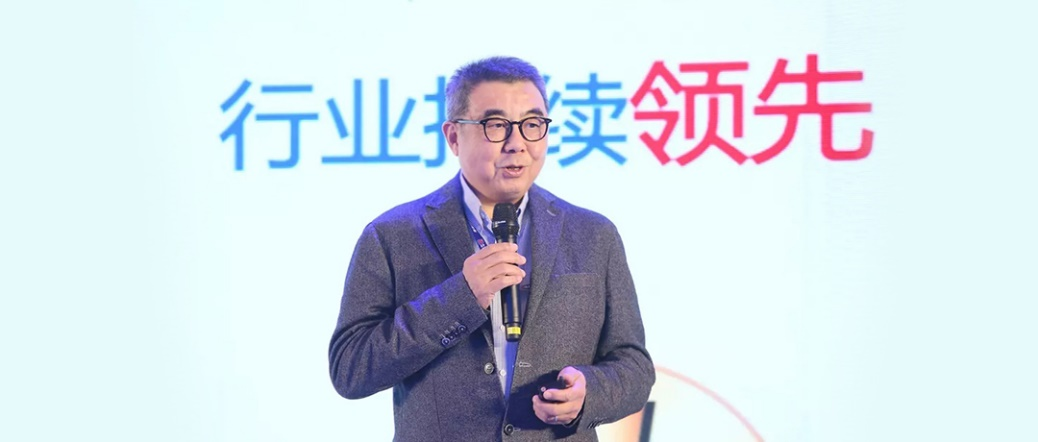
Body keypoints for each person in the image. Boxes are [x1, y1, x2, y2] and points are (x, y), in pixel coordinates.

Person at [328, 56, 654, 441]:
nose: (517, 144)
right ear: (453, 137)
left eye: (533, 124)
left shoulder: (593, 234)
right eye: (496, 126)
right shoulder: (392, 236)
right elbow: (351, 368)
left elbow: (634, 366)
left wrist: (588, 394)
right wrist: (460, 297)